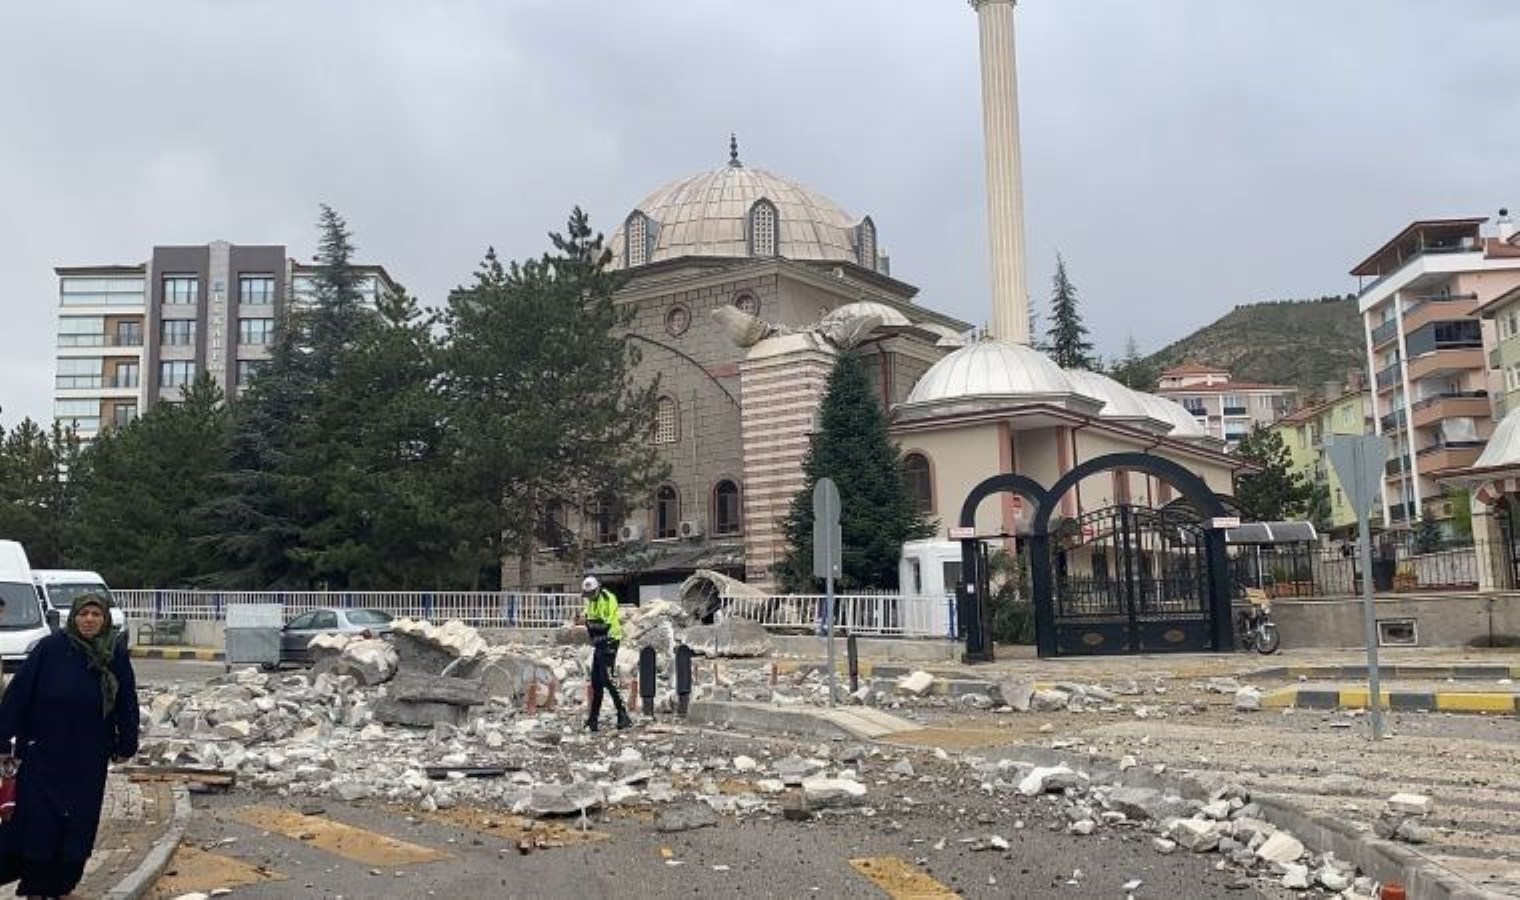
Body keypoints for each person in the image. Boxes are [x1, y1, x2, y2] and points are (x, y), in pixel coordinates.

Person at [0, 592, 139, 898]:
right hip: (43, 753)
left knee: (78, 821)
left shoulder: (113, 654)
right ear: (73, 617)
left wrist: (127, 742)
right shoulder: (50, 649)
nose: (89, 620)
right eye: (83, 614)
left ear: (105, 619)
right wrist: (2, 738)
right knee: (39, 820)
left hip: (88, 757)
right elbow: (18, 694)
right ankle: (37, 887)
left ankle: (63, 886)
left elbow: (126, 700)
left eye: (95, 614)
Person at [578, 576, 631, 732]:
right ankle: (593, 718)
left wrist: (594, 628)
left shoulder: (608, 599)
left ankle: (623, 714)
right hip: (598, 642)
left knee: (608, 678)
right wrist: (592, 628)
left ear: (598, 589)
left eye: (591, 593)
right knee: (596, 681)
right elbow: (589, 621)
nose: (589, 597)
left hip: (610, 641)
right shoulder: (590, 602)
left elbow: (606, 623)